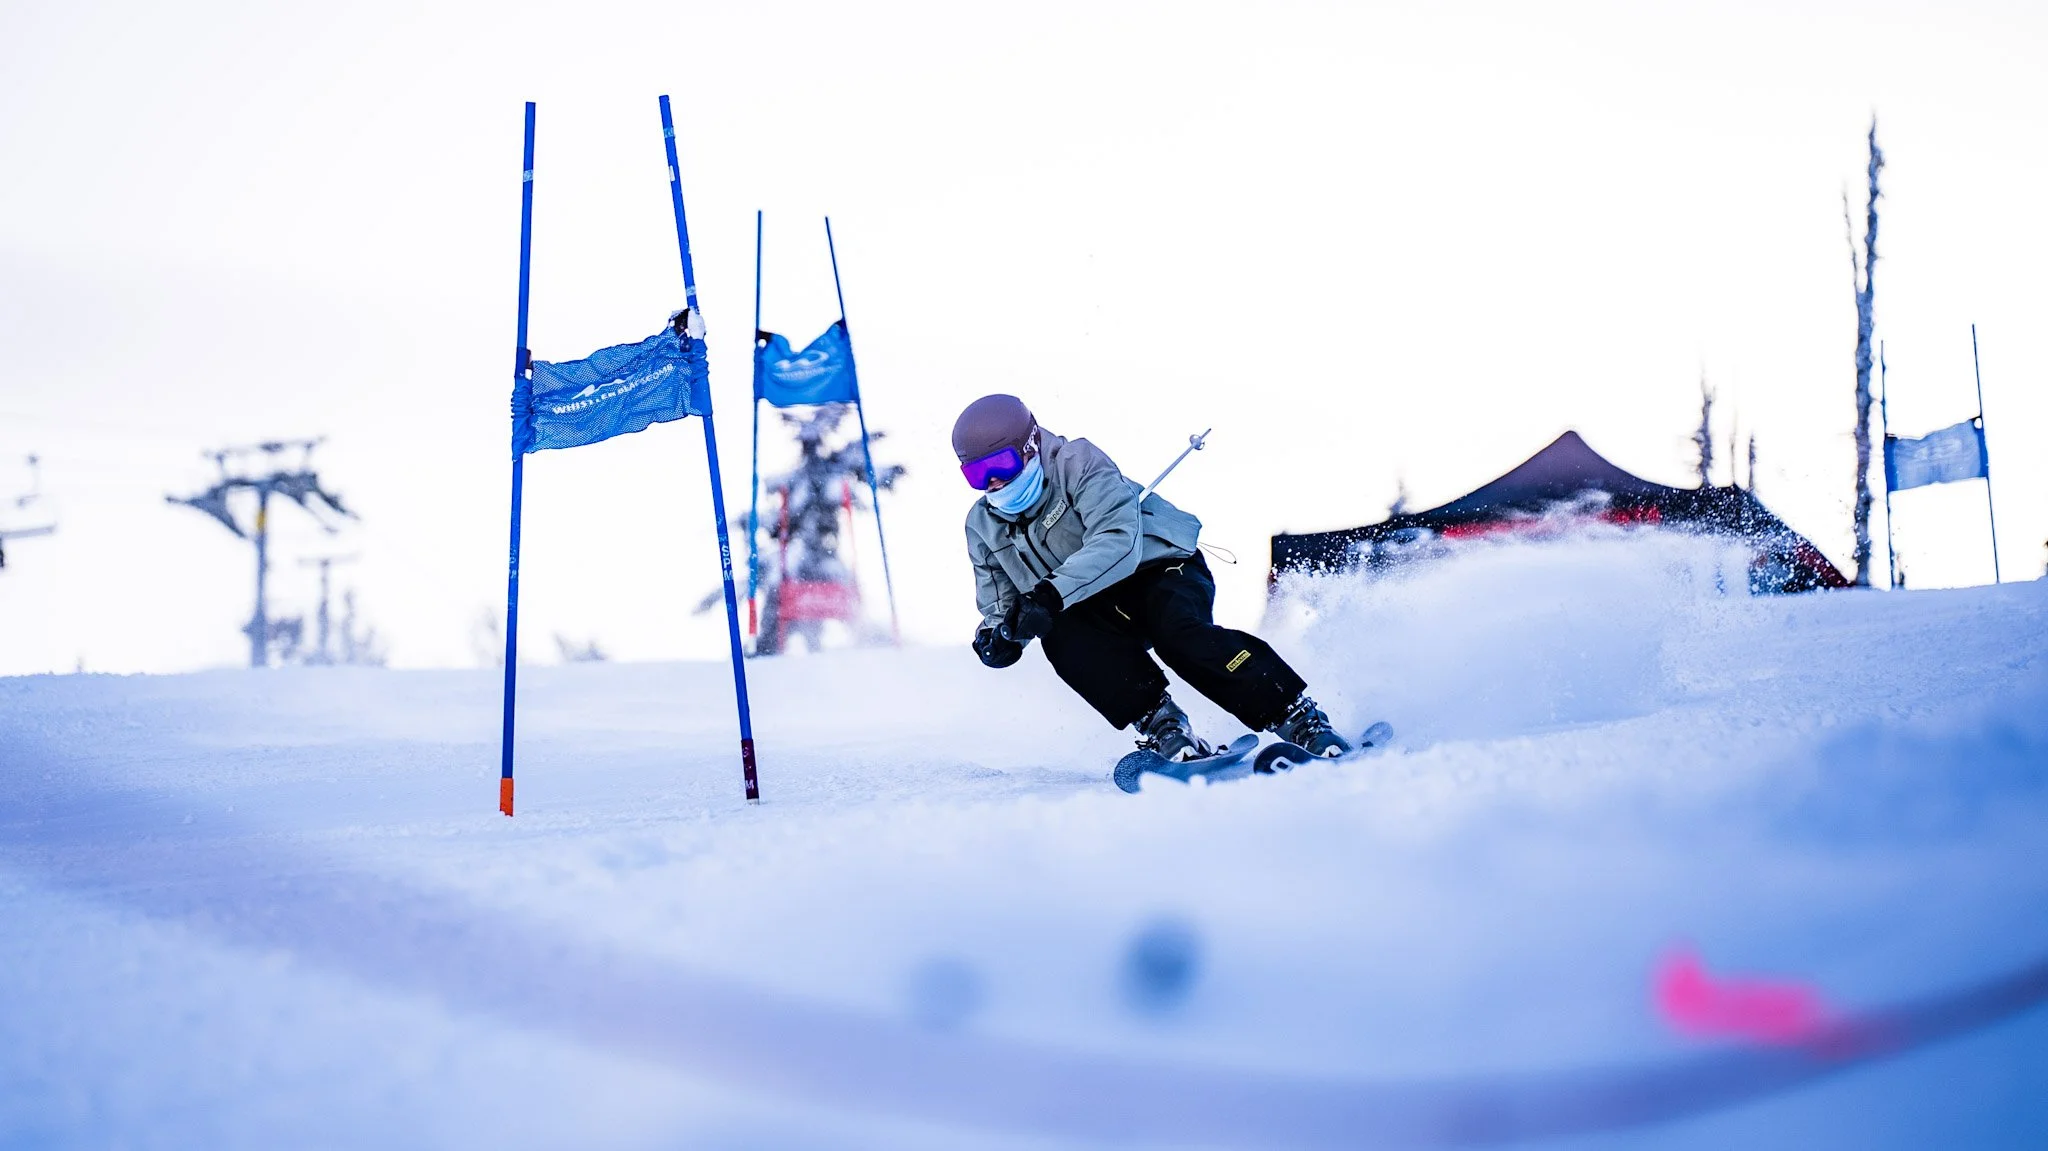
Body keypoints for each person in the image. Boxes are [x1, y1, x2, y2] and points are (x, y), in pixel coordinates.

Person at [954, 394, 1351, 761]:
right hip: (1085, 599)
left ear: (1030, 446)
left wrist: (1048, 597)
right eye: (977, 474)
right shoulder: (982, 525)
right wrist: (1002, 635)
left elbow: (1117, 541)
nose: (993, 483)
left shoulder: (1078, 464)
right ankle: (1163, 725)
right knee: (1060, 636)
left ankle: (1296, 716)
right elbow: (1004, 603)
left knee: (1179, 635)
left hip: (1158, 569)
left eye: (1000, 465)